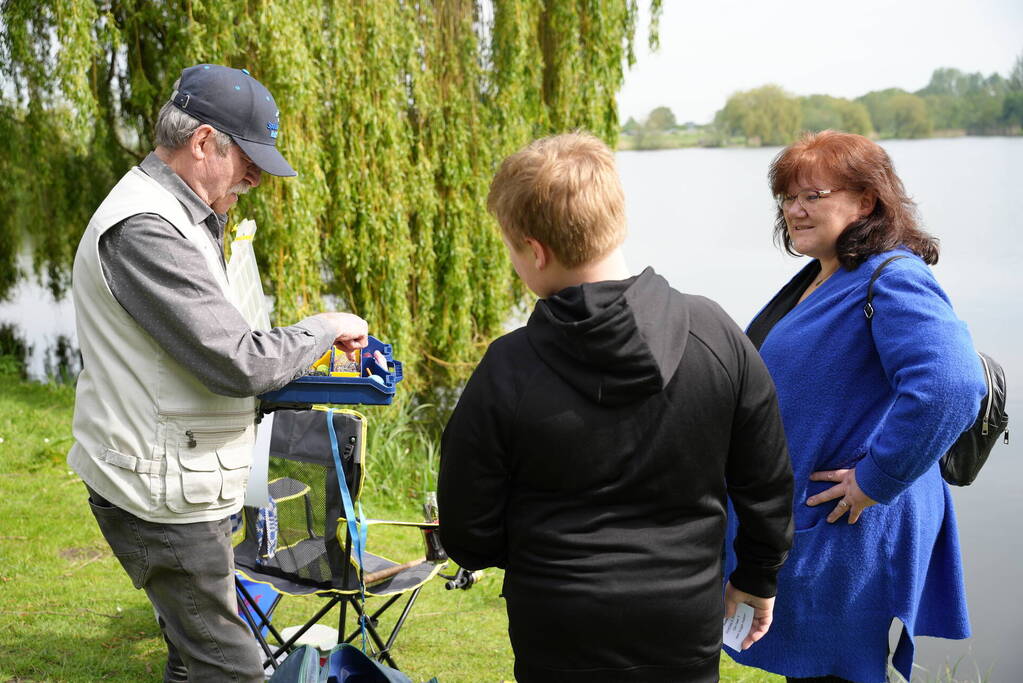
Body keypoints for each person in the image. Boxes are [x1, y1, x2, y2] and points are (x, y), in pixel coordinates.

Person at [437, 132, 794, 682]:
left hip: (558, 625)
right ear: (618, 222)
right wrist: (758, 576)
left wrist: (541, 555)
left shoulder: (507, 369)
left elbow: (467, 531)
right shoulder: (717, 335)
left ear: (534, 250)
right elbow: (766, 481)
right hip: (682, 621)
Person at [67, 64, 368, 682]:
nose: (257, 175)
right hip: (160, 497)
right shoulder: (147, 229)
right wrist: (320, 328)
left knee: (193, 654)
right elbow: (237, 361)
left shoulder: (180, 212)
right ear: (204, 143)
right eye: (249, 158)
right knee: (232, 668)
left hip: (178, 478)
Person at [725, 130, 987, 683]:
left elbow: (951, 383)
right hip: (817, 521)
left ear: (866, 200)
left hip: (851, 526)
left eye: (812, 196)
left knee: (840, 673)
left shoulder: (892, 277)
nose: (794, 210)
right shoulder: (826, 273)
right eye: (787, 197)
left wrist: (876, 477)